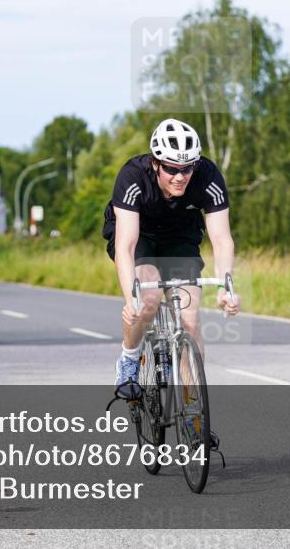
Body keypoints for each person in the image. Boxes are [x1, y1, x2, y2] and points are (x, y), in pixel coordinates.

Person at [103, 118, 240, 401]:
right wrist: (132, 300)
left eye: (187, 168)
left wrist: (226, 288)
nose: (180, 177)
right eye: (171, 169)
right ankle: (129, 360)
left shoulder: (208, 176)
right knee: (148, 299)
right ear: (156, 163)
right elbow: (125, 246)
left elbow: (222, 239)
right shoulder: (133, 177)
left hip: (180, 238)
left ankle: (193, 411)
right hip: (140, 235)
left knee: (190, 320)